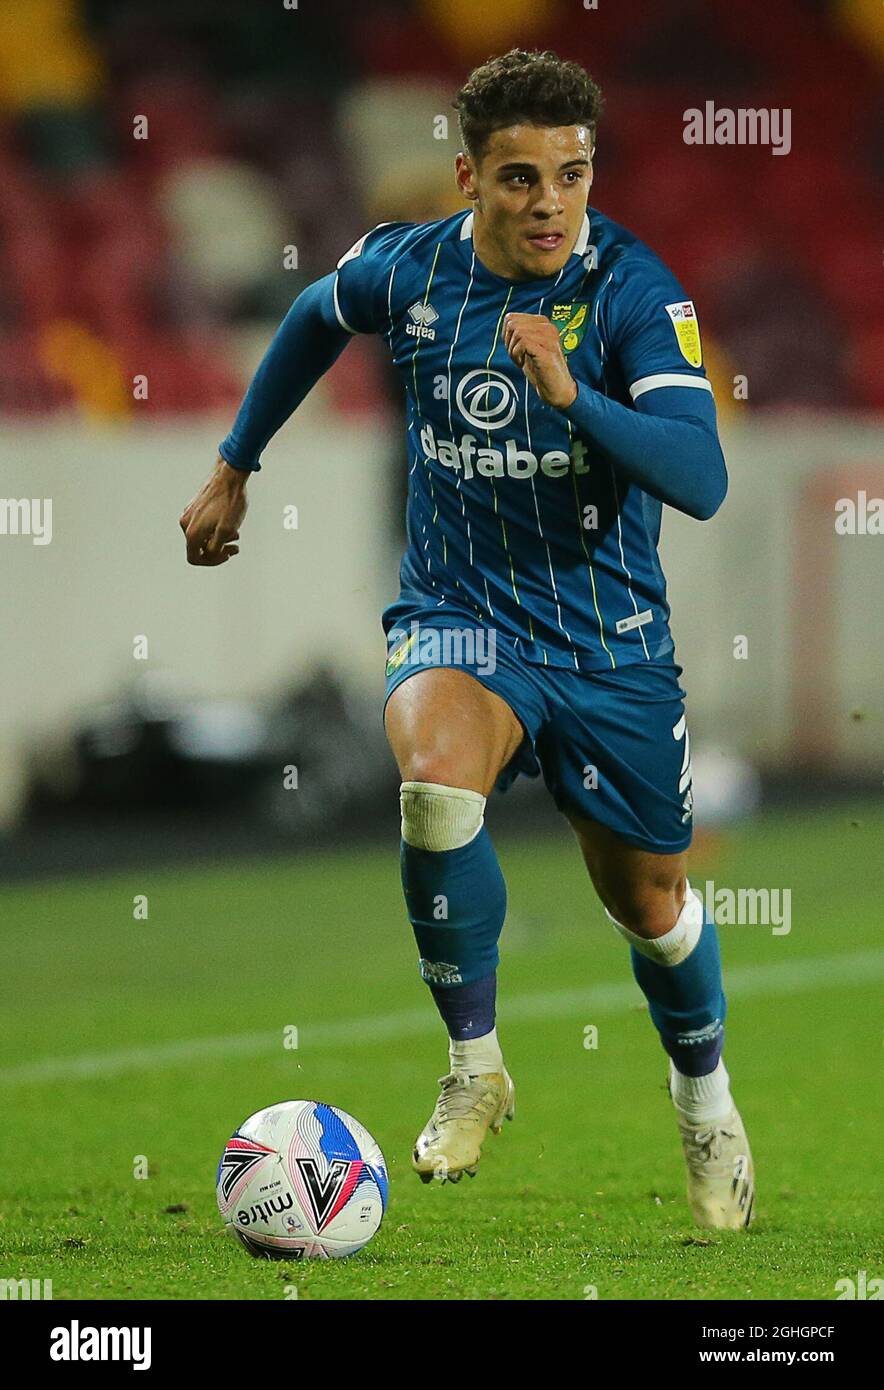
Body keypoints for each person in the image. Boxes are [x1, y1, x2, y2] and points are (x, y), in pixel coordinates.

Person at [179, 48, 754, 1230]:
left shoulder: (636, 294)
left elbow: (699, 478)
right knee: (434, 787)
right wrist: (235, 464)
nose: (549, 203)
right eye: (519, 179)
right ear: (467, 179)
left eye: (572, 176)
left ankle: (703, 1098)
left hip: (607, 638)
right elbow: (305, 315)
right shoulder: (409, 269)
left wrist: (573, 399)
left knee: (651, 904)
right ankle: (475, 1063)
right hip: (460, 612)